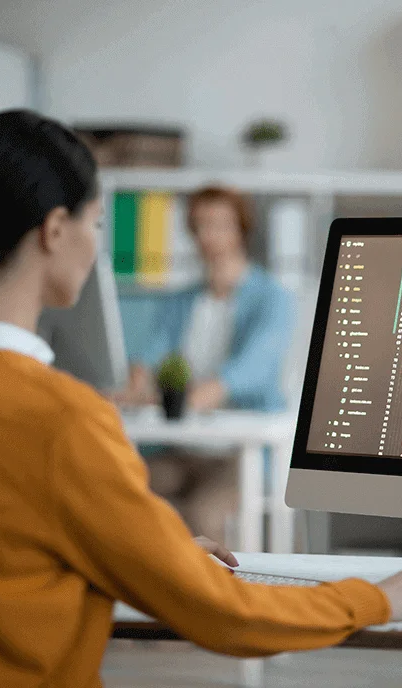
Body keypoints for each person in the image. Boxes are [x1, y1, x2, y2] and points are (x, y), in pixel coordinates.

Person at [0, 110, 402, 688]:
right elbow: (227, 614)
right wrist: (373, 600)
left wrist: (158, 550)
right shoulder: (63, 421)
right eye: (98, 224)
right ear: (54, 231)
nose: (98, 245)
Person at [115, 186, 293, 540]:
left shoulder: (273, 298)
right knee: (123, 492)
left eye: (217, 224)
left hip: (238, 453)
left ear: (240, 228)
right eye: (198, 226)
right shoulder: (182, 299)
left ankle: (217, 592)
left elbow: (252, 369)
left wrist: (189, 397)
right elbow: (154, 352)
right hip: (184, 446)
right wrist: (137, 382)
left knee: (202, 513)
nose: (206, 236)